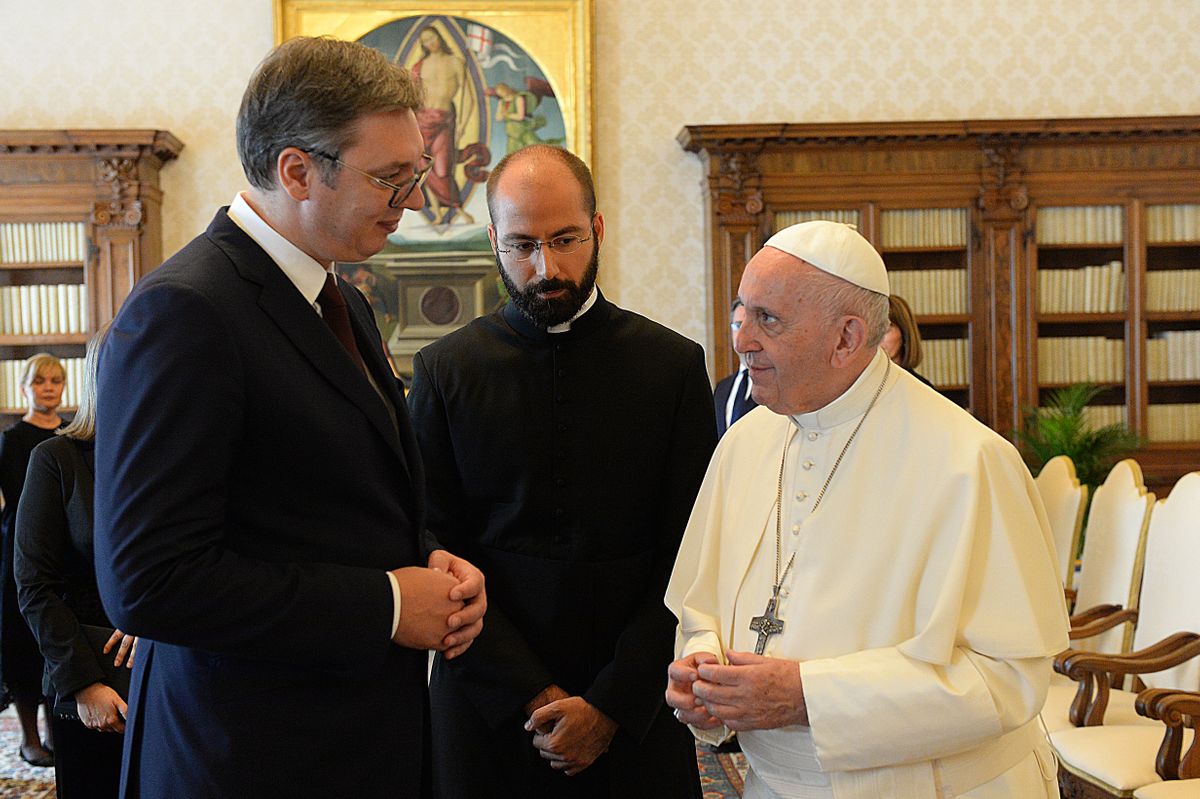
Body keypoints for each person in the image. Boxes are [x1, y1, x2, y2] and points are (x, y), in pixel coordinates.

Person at [93, 36, 486, 797]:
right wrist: (391, 603)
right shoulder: (186, 312)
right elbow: (149, 579)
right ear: (297, 170)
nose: (411, 200)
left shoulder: (348, 303)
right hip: (247, 756)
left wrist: (428, 556)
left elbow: (326, 496)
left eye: (413, 174)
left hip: (352, 741)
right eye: (389, 178)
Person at [665, 220, 1069, 798]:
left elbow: (1008, 680)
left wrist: (809, 696)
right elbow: (701, 607)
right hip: (773, 784)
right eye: (741, 313)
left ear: (846, 338)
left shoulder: (969, 461)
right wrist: (706, 675)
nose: (741, 339)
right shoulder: (743, 442)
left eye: (768, 319)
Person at [408, 144, 715, 798]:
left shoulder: (672, 367)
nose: (545, 266)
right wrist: (532, 692)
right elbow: (431, 544)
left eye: (565, 238)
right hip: (489, 707)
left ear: (598, 229)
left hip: (635, 704)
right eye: (521, 244)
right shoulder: (444, 372)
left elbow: (692, 554)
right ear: (493, 240)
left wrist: (608, 706)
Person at [16, 326, 130, 799]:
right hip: (95, 677)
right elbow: (35, 584)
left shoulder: (182, 459)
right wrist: (84, 684)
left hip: (180, 672)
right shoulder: (57, 459)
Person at [0, 352, 67, 768]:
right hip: (19, 549)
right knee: (23, 642)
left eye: (55, 381)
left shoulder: (73, 434)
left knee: (58, 639)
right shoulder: (12, 438)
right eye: (40, 381)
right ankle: (29, 738)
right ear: (25, 387)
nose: (48, 388)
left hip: (63, 547)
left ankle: (62, 734)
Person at [412, 25, 474, 226]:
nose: (431, 43)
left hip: (443, 121)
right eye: (426, 41)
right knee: (425, 167)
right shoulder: (420, 65)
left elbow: (468, 97)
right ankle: (438, 213)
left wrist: (463, 125)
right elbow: (412, 97)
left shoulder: (455, 62)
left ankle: (457, 207)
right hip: (422, 121)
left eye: (433, 38)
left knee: (442, 168)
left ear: (440, 37)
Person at [713, 299, 757, 437]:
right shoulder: (722, 388)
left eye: (749, 326)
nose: (743, 334)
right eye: (738, 326)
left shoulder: (775, 387)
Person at [882, 294, 934, 388]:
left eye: (885, 330)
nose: (877, 338)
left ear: (905, 333)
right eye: (873, 331)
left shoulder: (922, 388)